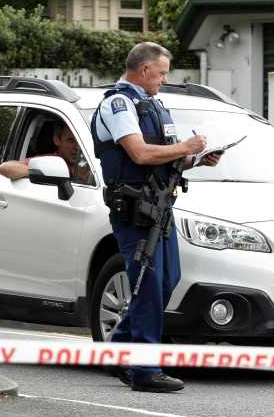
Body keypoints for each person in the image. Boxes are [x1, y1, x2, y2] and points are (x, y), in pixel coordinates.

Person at [91, 41, 220, 393]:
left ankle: (119, 349)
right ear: (144, 70)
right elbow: (140, 153)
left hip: (160, 206)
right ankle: (146, 368)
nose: (164, 79)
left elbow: (165, 155)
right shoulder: (119, 104)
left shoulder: (153, 105)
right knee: (147, 283)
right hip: (134, 209)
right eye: (162, 73)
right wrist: (186, 148)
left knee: (166, 279)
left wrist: (196, 159)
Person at [0, 121, 93, 185]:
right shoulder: (47, 161)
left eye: (80, 142)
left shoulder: (93, 163)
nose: (77, 148)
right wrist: (42, 172)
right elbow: (5, 168)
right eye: (71, 141)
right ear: (57, 140)